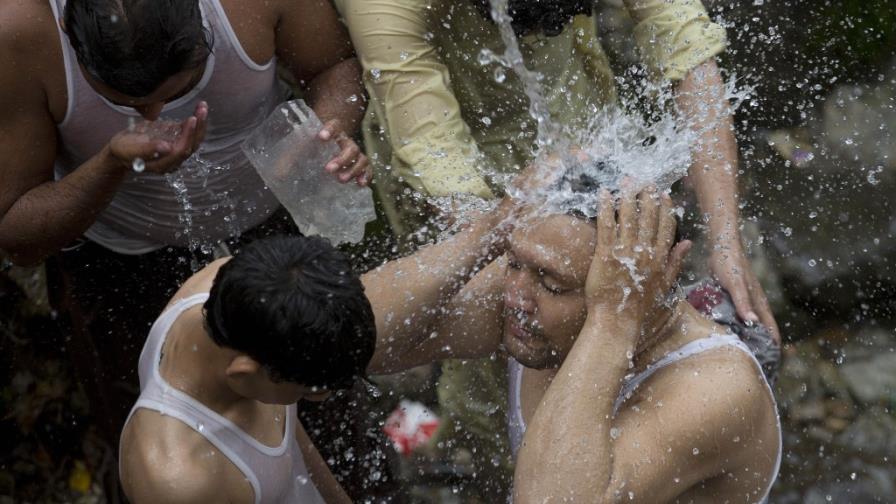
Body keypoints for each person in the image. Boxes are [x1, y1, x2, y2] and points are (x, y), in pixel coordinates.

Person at [0, 0, 369, 462]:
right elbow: (16, 233)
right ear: (66, 28)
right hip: (125, 258)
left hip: (274, 233)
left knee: (327, 412)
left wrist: (326, 135)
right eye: (128, 101)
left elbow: (334, 66)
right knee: (161, 441)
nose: (157, 113)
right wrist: (112, 165)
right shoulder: (19, 32)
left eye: (185, 85)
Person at [372, 183, 782, 502]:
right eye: (514, 263)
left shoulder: (717, 388)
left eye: (552, 284)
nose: (515, 296)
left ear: (639, 288)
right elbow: (344, 338)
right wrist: (482, 236)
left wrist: (614, 317)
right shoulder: (531, 291)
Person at [120, 193, 518, 503]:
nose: (323, 397)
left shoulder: (226, 288)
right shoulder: (177, 480)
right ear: (245, 372)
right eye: (310, 390)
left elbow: (289, 445)